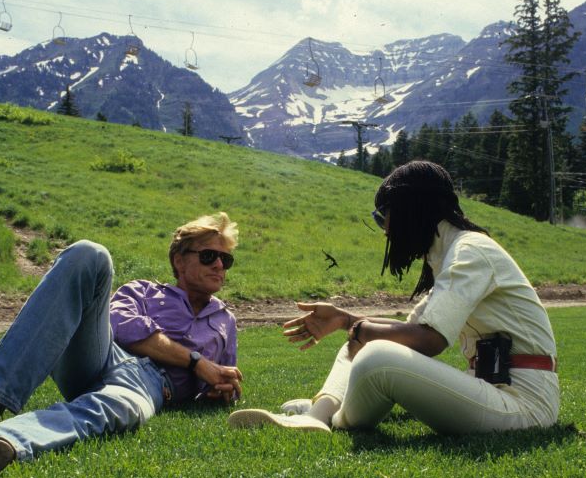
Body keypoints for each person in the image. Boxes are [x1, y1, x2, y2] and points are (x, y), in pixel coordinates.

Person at [0, 212, 243, 478]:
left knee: (117, 408)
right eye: (209, 255)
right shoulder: (143, 291)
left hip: (150, 385)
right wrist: (196, 362)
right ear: (180, 260)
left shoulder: (226, 321)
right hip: (100, 355)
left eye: (225, 260)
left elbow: (219, 379)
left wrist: (220, 389)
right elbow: (123, 326)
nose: (219, 266)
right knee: (90, 255)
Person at [229, 160, 559, 435]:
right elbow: (411, 330)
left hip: (522, 403)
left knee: (376, 356)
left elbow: (429, 341)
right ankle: (317, 415)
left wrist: (362, 330)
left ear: (409, 209)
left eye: (383, 215)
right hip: (493, 389)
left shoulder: (469, 252)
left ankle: (330, 418)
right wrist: (347, 321)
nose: (385, 228)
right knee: (361, 343)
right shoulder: (452, 253)